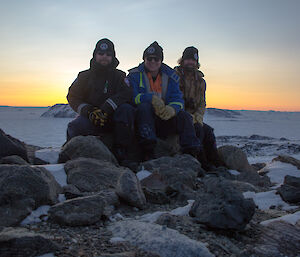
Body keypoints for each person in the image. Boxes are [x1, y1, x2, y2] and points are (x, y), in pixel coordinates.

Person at [127, 41, 202, 161]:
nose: (152, 62)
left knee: (184, 116)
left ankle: (191, 153)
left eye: (156, 59)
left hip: (164, 117)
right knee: (144, 108)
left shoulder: (171, 76)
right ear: (144, 59)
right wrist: (150, 98)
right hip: (143, 119)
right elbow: (132, 96)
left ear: (161, 60)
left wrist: (172, 109)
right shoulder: (134, 75)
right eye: (149, 58)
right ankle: (148, 150)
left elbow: (177, 98)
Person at [66, 38, 135, 165]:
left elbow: (127, 93)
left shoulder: (120, 76)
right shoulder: (83, 76)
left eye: (108, 55)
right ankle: (69, 155)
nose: (104, 57)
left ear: (113, 57)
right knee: (75, 126)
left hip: (114, 120)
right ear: (95, 55)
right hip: (91, 118)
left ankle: (122, 153)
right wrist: (89, 111)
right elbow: (72, 96)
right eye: (101, 54)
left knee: (127, 110)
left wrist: (107, 107)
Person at [175, 46, 223, 170]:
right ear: (182, 60)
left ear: (197, 62)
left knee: (208, 131)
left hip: (194, 116)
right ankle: (201, 162)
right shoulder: (175, 76)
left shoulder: (201, 81)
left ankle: (215, 162)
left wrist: (199, 116)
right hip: (178, 115)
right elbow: (173, 97)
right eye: (188, 59)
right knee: (197, 130)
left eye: (193, 60)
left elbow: (202, 102)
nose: (190, 62)